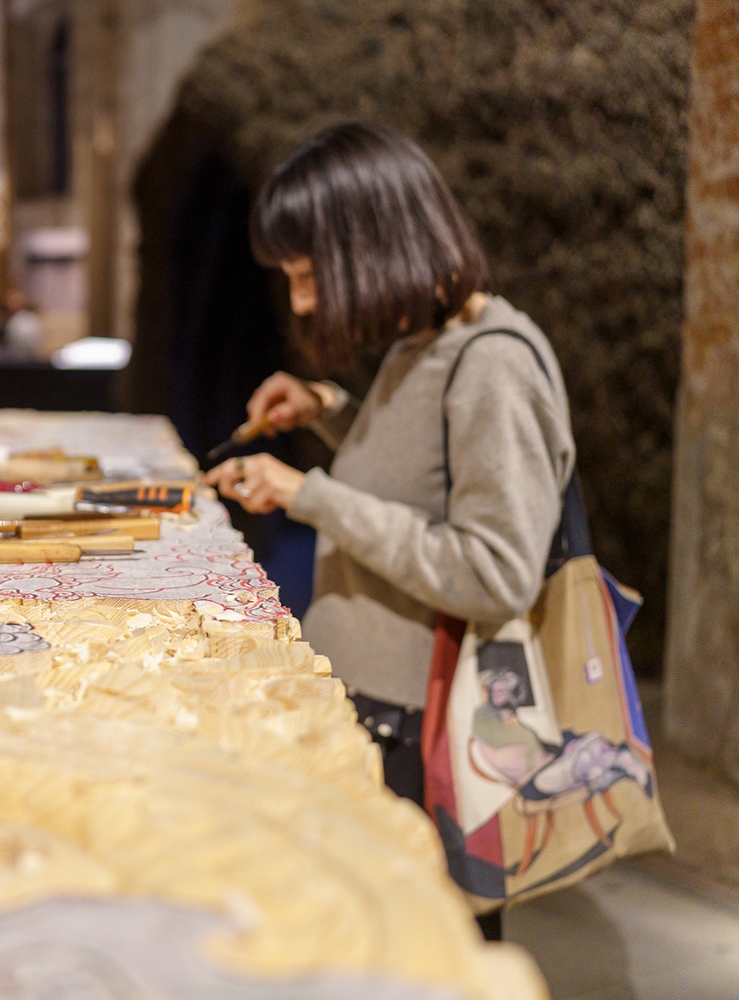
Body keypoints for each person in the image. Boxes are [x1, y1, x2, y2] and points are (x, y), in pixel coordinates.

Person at [205, 122, 574, 936]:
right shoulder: (428, 346)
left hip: (426, 738)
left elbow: (495, 571)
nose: (301, 301)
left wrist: (310, 495)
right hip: (385, 719)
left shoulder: (493, 364)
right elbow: (422, 483)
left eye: (307, 275)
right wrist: (330, 411)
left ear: (369, 243)